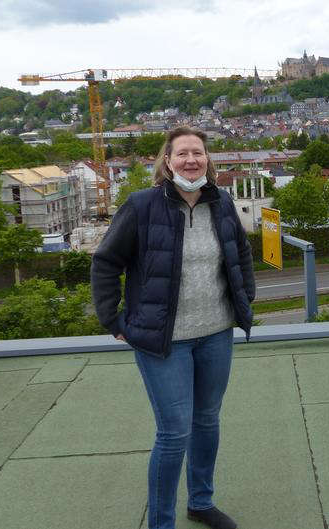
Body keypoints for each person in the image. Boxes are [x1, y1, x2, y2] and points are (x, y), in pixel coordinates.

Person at [91, 126, 255, 529]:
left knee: (207, 421)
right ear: (167, 161)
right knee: (174, 433)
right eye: (182, 153)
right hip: (164, 341)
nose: (191, 160)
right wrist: (114, 320)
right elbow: (105, 262)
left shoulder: (222, 202)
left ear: (207, 160)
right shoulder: (142, 205)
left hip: (216, 332)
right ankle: (161, 523)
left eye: (197, 153)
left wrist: (244, 298)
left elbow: (241, 254)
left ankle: (200, 501)